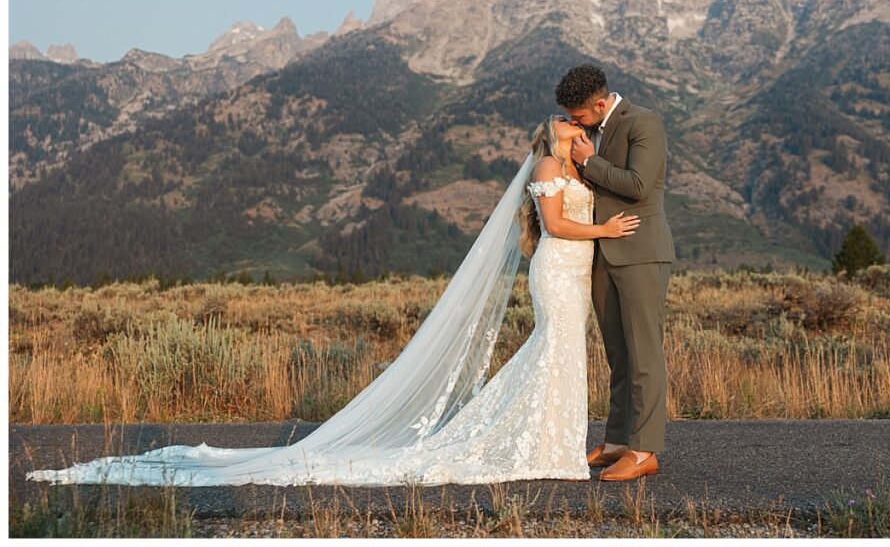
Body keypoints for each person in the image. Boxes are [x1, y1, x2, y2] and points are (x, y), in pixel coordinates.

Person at [25, 115, 639, 487]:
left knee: (563, 356)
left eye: (578, 128)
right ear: (550, 138)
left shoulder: (579, 167)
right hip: (559, 268)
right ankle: (545, 447)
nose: (575, 131)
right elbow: (556, 228)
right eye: (567, 128)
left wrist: (600, 183)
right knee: (552, 350)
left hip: (573, 273)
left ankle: (555, 444)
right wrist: (606, 232)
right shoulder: (548, 170)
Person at [558, 63, 676, 482]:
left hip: (642, 253)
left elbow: (639, 184)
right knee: (618, 355)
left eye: (581, 116)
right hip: (603, 254)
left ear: (602, 103)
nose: (576, 123)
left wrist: (589, 162)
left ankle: (645, 451)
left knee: (644, 355)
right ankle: (617, 442)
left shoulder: (645, 123)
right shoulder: (592, 129)